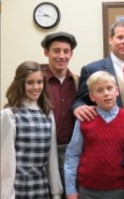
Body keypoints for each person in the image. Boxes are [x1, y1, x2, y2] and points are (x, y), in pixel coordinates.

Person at [64, 71, 124, 199]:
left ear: (116, 91)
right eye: (99, 90)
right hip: (87, 190)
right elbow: (73, 154)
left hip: (119, 189)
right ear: (92, 97)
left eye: (109, 88)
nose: (106, 93)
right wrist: (70, 190)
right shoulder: (84, 118)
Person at [1, 61, 63, 199]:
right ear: (20, 84)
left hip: (41, 185)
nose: (36, 87)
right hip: (19, 187)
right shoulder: (10, 115)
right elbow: (6, 161)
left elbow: (52, 157)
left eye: (39, 82)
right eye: (30, 82)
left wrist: (56, 192)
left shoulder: (47, 114)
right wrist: (7, 195)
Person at [71, 21, 124, 125]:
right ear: (111, 39)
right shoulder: (92, 69)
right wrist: (78, 107)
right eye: (120, 37)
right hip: (107, 134)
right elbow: (80, 100)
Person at [41, 31, 79, 197]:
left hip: (69, 151)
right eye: (56, 50)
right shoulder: (36, 80)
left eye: (66, 51)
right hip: (43, 150)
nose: (61, 56)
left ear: (71, 54)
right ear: (46, 52)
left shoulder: (78, 81)